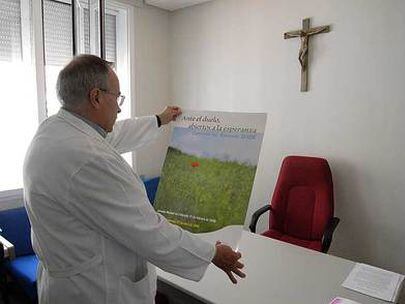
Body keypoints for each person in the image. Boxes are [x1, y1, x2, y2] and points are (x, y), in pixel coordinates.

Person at [23, 54, 245, 304]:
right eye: (116, 97)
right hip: (96, 290)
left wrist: (160, 119)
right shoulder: (88, 158)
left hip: (67, 282)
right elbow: (149, 231)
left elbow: (113, 135)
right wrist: (212, 253)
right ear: (95, 97)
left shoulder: (56, 132)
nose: (119, 107)